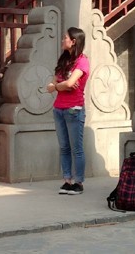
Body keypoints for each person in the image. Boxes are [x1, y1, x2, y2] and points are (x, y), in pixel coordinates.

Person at [46, 27, 90, 195]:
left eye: (65, 38)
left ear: (73, 41)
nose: (63, 40)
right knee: (64, 147)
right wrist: (61, 86)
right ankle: (67, 181)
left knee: (76, 148)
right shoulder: (63, 61)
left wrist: (59, 86)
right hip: (59, 109)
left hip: (74, 109)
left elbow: (70, 83)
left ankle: (78, 182)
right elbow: (50, 86)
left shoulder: (82, 61)